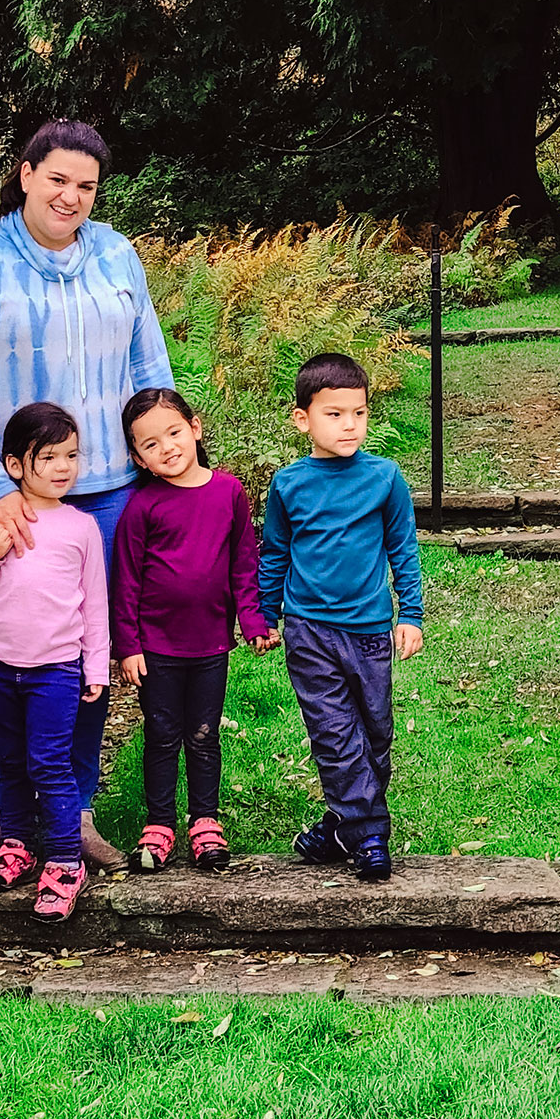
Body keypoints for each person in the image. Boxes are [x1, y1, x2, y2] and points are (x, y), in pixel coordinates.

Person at [0, 119, 173, 879]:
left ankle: (75, 815)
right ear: (26, 173)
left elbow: (147, 361)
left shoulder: (117, 254)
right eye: (58, 178)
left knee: (82, 656)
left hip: (106, 496)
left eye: (87, 186)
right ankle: (0, 820)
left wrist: (164, 463)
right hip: (7, 497)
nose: (71, 196)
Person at [256, 352, 423, 885]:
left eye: (359, 412)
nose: (349, 424)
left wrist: (411, 614)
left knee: (374, 736)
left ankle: (337, 828)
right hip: (309, 630)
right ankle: (371, 835)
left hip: (371, 630)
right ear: (303, 418)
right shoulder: (288, 484)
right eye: (334, 414)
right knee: (334, 734)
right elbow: (275, 553)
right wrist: (263, 614)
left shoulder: (384, 478)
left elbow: (404, 548)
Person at [0, 402, 110, 922]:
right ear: (14, 465)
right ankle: (15, 843)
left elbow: (95, 604)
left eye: (71, 455)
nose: (64, 467)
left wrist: (96, 667)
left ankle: (64, 862)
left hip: (55, 670)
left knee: (49, 764)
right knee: (10, 762)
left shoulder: (81, 527)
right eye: (49, 457)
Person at [111, 387, 273, 872]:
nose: (168, 448)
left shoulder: (228, 493)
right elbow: (125, 582)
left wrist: (253, 619)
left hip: (209, 644)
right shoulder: (143, 507)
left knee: (203, 735)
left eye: (174, 432)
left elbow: (244, 564)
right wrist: (128, 646)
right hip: (156, 648)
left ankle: (205, 823)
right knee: (161, 734)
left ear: (195, 428)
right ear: (138, 458)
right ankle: (159, 826)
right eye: (151, 444)